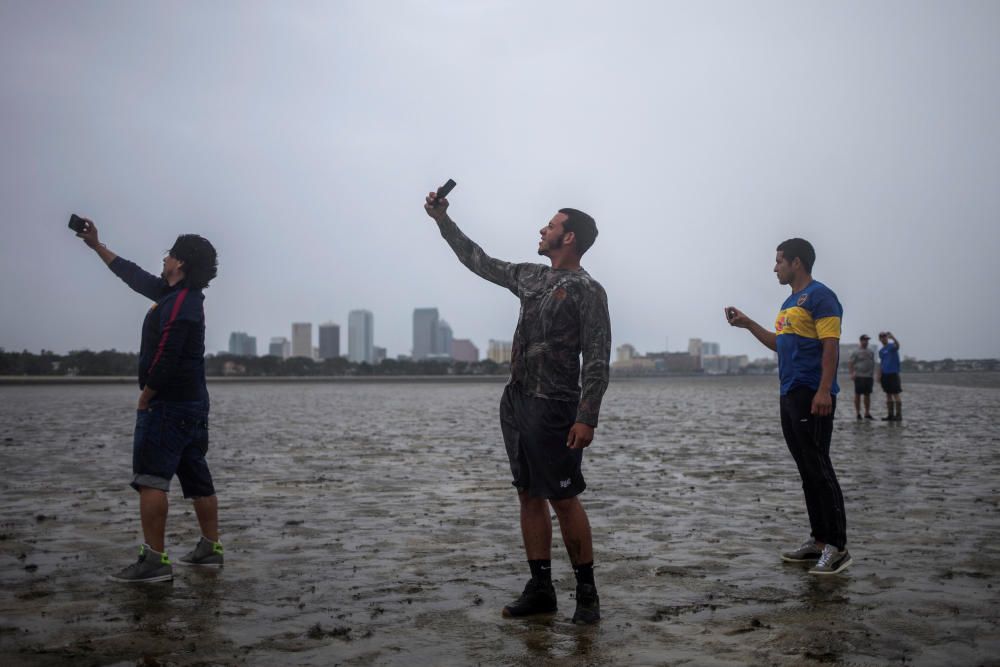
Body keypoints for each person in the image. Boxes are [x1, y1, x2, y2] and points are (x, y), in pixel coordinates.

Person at [423, 191, 611, 623]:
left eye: (550, 226)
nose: (542, 230)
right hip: (517, 399)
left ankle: (587, 594)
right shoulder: (529, 276)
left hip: (558, 407)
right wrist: (442, 220)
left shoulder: (588, 290)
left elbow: (598, 357)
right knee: (528, 494)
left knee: (564, 498)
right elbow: (477, 259)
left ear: (570, 238)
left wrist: (587, 416)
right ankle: (541, 588)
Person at [76, 218, 224, 582]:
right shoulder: (174, 296)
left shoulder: (180, 303)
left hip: (169, 406)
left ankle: (155, 561)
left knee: (151, 480)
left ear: (180, 264)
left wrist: (147, 395)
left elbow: (168, 354)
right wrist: (97, 245)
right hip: (192, 405)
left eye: (170, 253)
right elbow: (133, 275)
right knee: (196, 475)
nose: (164, 258)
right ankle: (209, 549)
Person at [725, 238, 851, 575]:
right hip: (790, 392)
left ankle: (837, 547)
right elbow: (779, 345)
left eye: (779, 261)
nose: (774, 267)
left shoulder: (822, 296)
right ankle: (820, 541)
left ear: (797, 262)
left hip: (813, 393)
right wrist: (749, 324)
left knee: (820, 468)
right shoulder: (788, 303)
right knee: (807, 470)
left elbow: (830, 347)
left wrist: (824, 390)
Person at [877, 331, 903, 421]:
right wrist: (879, 374)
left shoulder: (892, 346)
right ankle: (890, 415)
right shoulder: (881, 351)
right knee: (888, 394)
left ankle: (899, 415)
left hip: (893, 373)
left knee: (896, 394)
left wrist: (893, 337)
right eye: (882, 337)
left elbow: (898, 346)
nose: (883, 338)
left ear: (887, 338)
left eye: (885, 336)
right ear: (879, 339)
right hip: (885, 375)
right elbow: (882, 363)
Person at [849, 334, 876, 419]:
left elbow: (873, 362)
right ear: (861, 341)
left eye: (867, 340)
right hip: (859, 376)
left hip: (869, 376)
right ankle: (858, 413)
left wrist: (873, 373)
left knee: (867, 395)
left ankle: (867, 413)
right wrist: (852, 373)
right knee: (858, 395)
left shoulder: (870, 351)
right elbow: (850, 363)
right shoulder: (855, 351)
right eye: (864, 340)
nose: (866, 341)